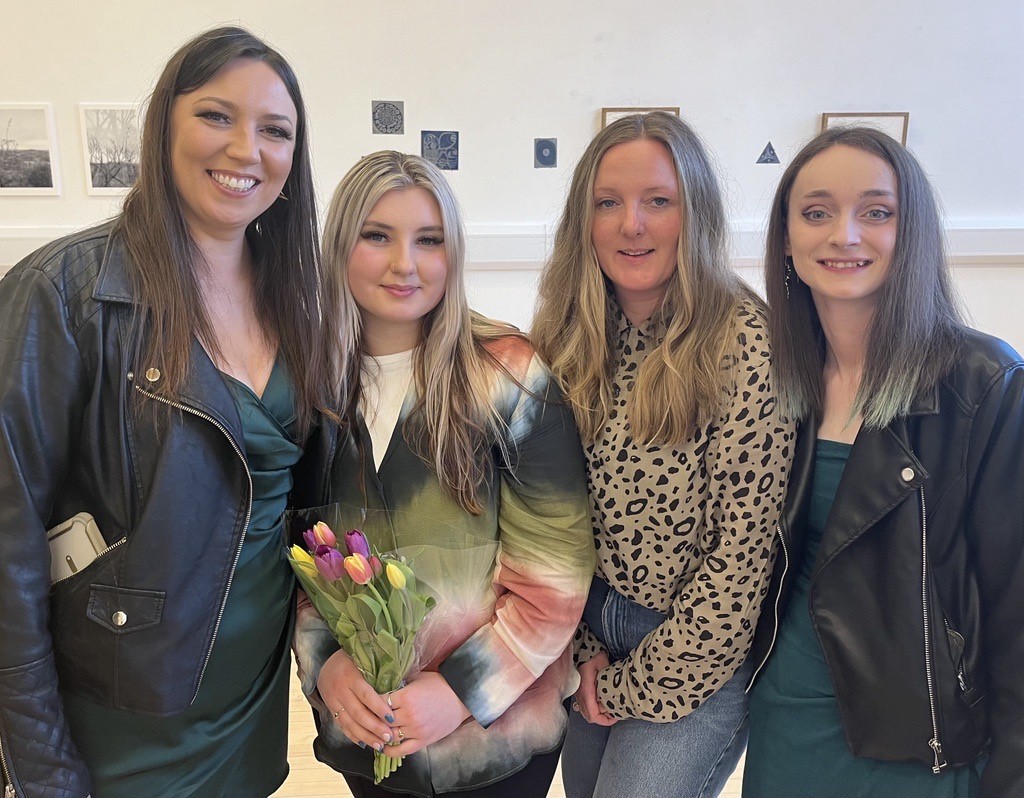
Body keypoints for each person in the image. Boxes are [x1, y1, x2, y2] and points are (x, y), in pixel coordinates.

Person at [0, 26, 329, 798]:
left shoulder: (297, 297)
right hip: (119, 724)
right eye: (217, 116)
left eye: (275, 130)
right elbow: (7, 547)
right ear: (164, 126)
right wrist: (42, 766)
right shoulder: (63, 292)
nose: (247, 149)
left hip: (249, 715)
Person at [292, 150, 595, 798]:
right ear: (339, 246)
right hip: (370, 731)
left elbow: (556, 576)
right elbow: (302, 557)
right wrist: (329, 669)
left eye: (429, 240)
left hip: (498, 736)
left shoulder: (510, 373)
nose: (406, 263)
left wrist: (459, 691)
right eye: (378, 236)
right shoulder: (307, 389)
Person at [742, 126, 1024, 798]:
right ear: (785, 237)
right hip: (786, 727)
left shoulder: (984, 383)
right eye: (816, 212)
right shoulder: (775, 381)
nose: (844, 235)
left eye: (877, 212)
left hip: (922, 751)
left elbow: (1017, 609)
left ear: (913, 232)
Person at [530, 111, 794, 798]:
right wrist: (584, 655)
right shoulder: (570, 336)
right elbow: (558, 515)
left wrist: (632, 684)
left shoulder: (746, 344)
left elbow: (740, 563)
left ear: (694, 213)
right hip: (590, 633)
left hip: (697, 651)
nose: (631, 225)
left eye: (658, 202)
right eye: (608, 203)